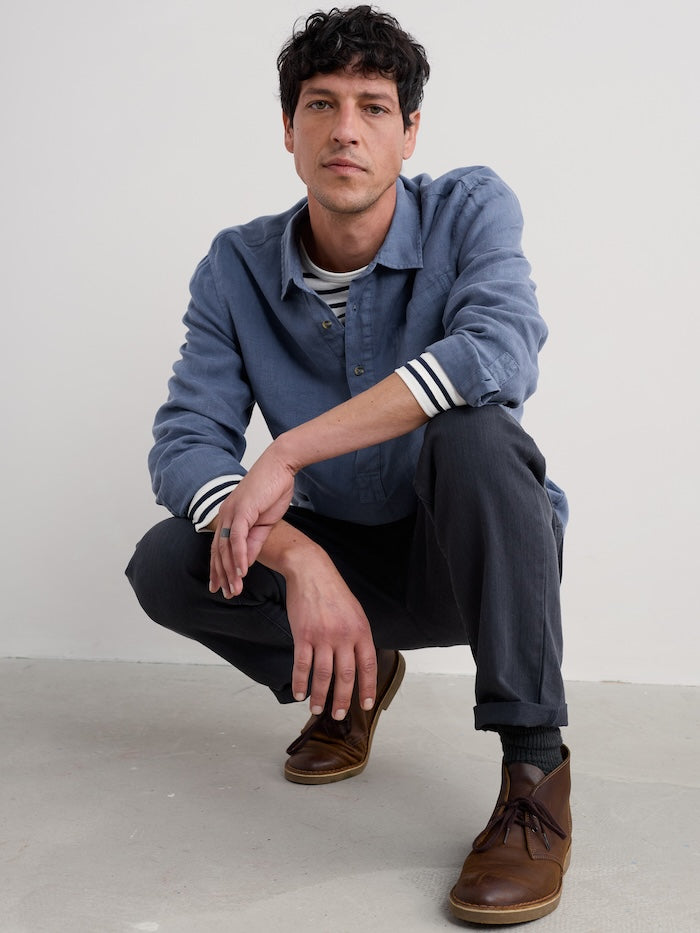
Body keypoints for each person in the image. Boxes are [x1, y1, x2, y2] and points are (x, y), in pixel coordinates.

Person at [126, 5, 571, 925]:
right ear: (289, 130)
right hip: (339, 554)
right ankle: (356, 682)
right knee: (166, 559)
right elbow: (185, 440)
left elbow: (498, 351)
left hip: (473, 558)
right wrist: (298, 557)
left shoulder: (470, 210)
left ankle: (536, 773)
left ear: (410, 131)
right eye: (321, 105)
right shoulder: (236, 268)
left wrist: (290, 447)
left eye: (373, 106)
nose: (345, 130)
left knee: (475, 433)